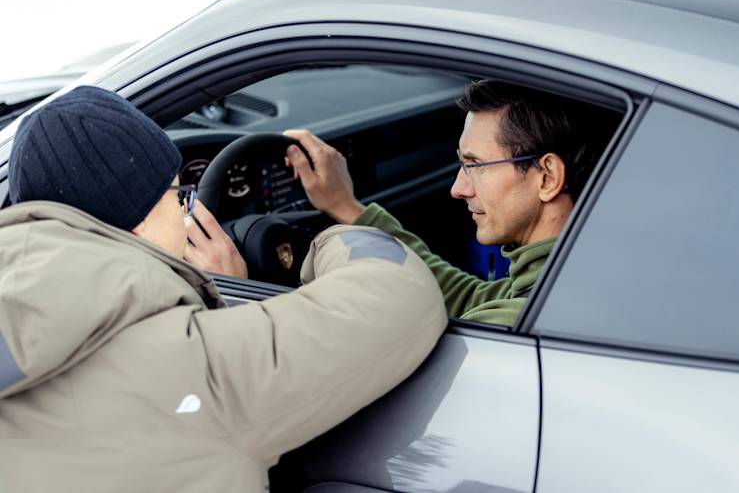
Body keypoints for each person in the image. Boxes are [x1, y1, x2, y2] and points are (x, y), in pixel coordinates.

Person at [0, 86, 447, 492]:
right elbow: (399, 288)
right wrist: (327, 237)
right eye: (179, 197)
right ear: (137, 219)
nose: (186, 212)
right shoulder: (196, 369)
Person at [284, 80, 618, 327]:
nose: (458, 189)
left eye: (474, 165)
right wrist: (346, 206)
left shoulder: (514, 323)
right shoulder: (585, 274)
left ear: (546, 178)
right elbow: (467, 297)